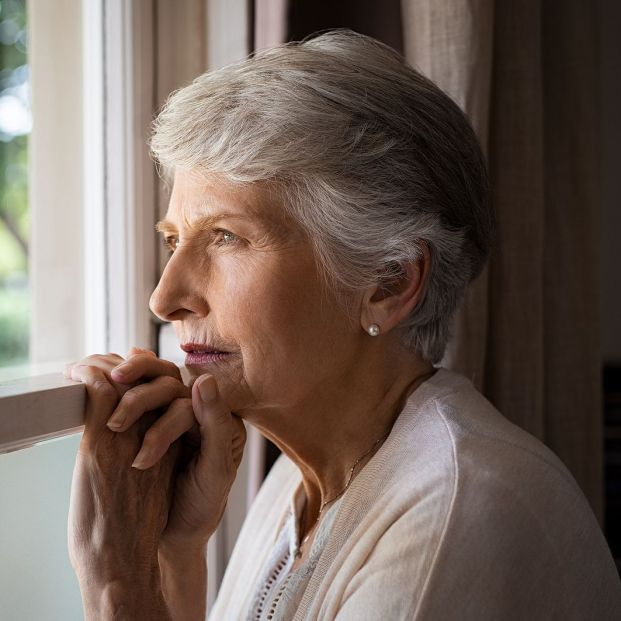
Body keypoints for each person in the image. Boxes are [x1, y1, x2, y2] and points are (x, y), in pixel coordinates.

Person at [64, 30, 621, 620]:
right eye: (174, 241)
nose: (164, 298)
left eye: (227, 238)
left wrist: (118, 587)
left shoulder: (459, 510)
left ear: (388, 282)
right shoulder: (295, 487)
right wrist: (175, 552)